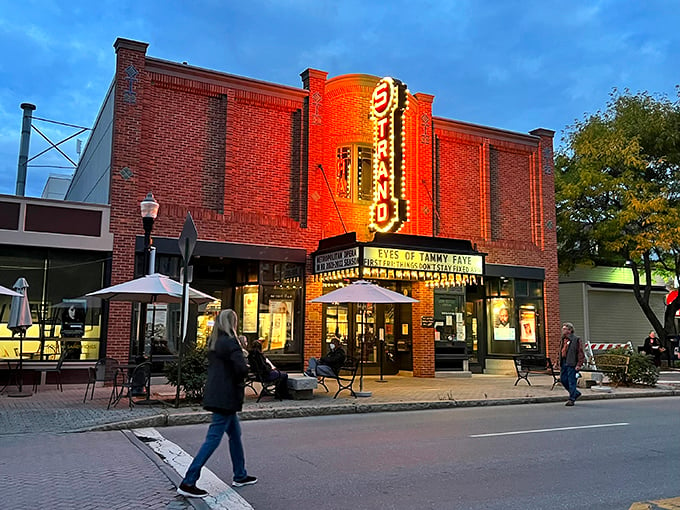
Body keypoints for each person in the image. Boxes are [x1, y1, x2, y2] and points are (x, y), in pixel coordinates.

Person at [177, 309, 257, 499]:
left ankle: (240, 474)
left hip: (217, 395)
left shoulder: (215, 343)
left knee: (235, 435)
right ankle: (189, 481)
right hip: (227, 398)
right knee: (213, 439)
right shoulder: (231, 343)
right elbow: (240, 369)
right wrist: (247, 366)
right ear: (233, 323)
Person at [559, 322, 585, 406]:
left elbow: (580, 352)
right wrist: (557, 362)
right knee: (563, 379)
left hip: (571, 363)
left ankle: (572, 399)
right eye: (563, 329)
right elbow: (560, 351)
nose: (563, 330)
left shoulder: (576, 339)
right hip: (563, 362)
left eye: (564, 329)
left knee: (571, 381)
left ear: (570, 330)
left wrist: (579, 364)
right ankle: (575, 393)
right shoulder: (563, 339)